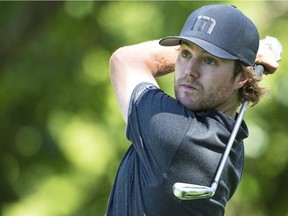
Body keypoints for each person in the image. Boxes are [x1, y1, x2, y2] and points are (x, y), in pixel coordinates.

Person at [106, 4, 279, 216]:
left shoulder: (176, 134)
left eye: (209, 60)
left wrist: (252, 53)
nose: (189, 71)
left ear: (242, 77)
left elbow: (125, 60)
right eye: (185, 53)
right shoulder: (231, 142)